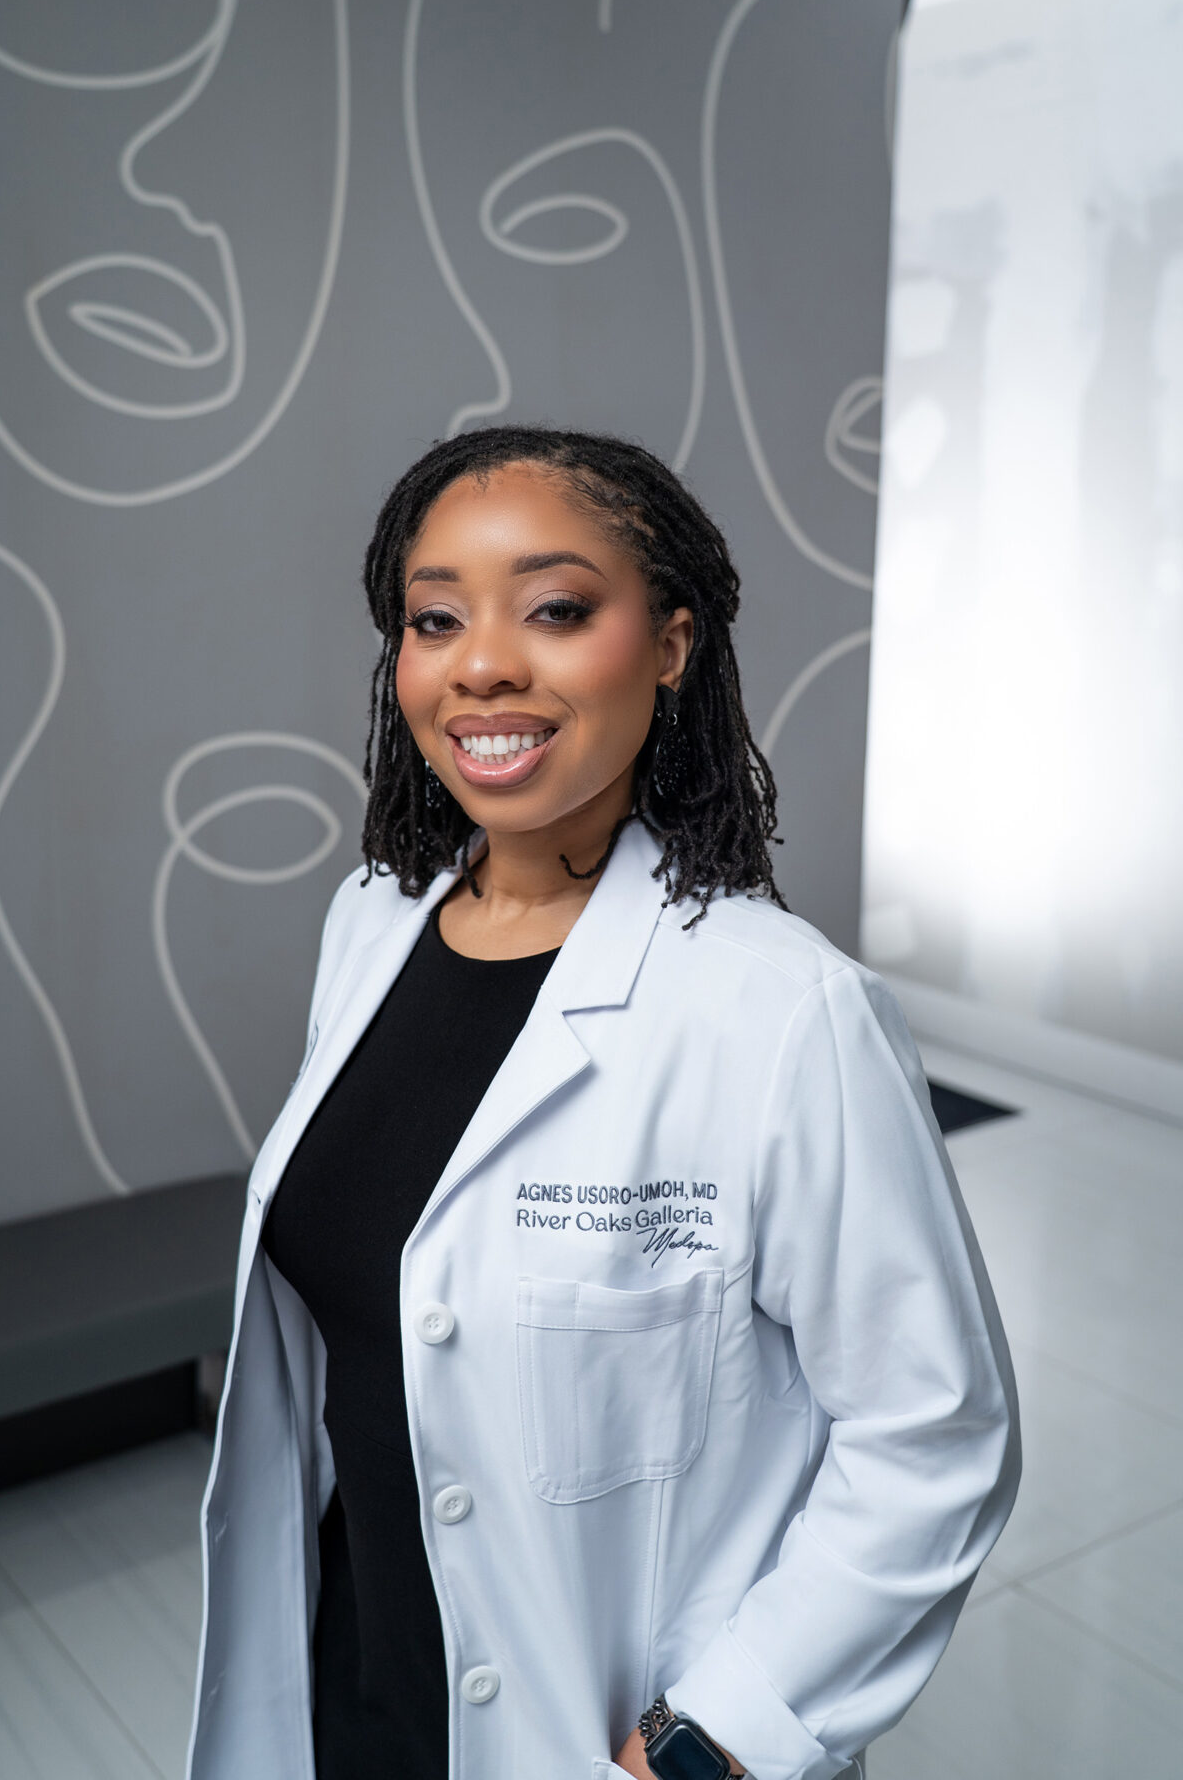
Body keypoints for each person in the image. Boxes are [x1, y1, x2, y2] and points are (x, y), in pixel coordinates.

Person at [185, 427, 1021, 1780]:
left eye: (558, 610)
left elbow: (935, 1435)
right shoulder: (370, 922)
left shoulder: (785, 1013)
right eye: (435, 618)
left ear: (672, 644)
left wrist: (704, 1744)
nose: (482, 665)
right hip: (353, 1681)